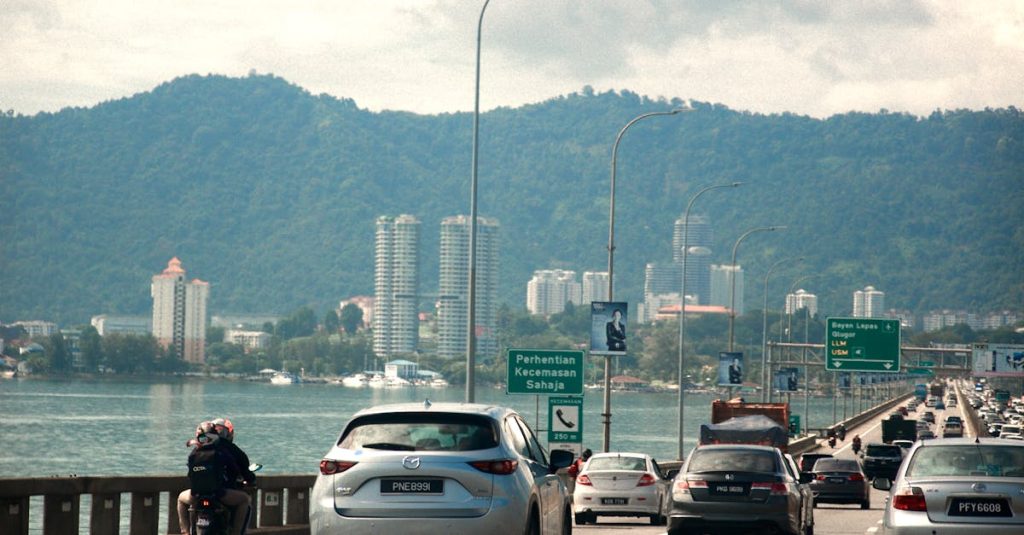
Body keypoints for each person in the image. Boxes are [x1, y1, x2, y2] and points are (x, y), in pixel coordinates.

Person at [176, 420, 253, 535]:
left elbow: (190, 474)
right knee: (244, 500)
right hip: (219, 494)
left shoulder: (194, 453)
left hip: (196, 495)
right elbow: (235, 469)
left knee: (181, 499)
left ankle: (185, 531)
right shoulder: (221, 451)